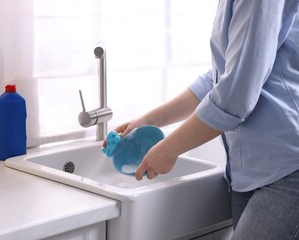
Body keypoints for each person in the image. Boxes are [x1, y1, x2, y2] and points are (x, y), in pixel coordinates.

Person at [105, 1, 299, 239]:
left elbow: (235, 94)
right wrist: (148, 121)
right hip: (252, 171)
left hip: (287, 165)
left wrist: (169, 149)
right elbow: (221, 77)